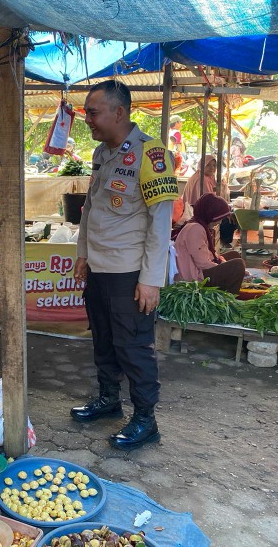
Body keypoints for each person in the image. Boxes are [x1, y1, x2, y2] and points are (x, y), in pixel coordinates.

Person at [71, 80, 178, 451]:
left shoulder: (151, 154)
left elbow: (161, 224)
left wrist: (150, 281)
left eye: (92, 111)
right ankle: (108, 398)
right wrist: (83, 253)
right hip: (99, 269)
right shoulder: (103, 153)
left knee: (133, 346)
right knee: (103, 339)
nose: (87, 119)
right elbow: (90, 209)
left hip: (130, 273)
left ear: (119, 112)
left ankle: (146, 419)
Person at [172, 194, 246, 294]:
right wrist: (223, 266)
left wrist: (222, 262)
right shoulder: (195, 229)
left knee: (234, 255)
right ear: (210, 214)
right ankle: (227, 300)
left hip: (199, 269)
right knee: (238, 265)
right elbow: (203, 264)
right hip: (193, 278)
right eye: (219, 218)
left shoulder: (199, 224)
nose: (219, 222)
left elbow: (209, 255)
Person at [179, 154, 237, 248]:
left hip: (204, 209)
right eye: (208, 165)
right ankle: (223, 241)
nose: (212, 168)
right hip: (197, 212)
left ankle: (222, 241)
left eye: (214, 165)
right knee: (228, 218)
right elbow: (209, 201)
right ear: (202, 165)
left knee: (231, 214)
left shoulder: (208, 177)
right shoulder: (200, 179)